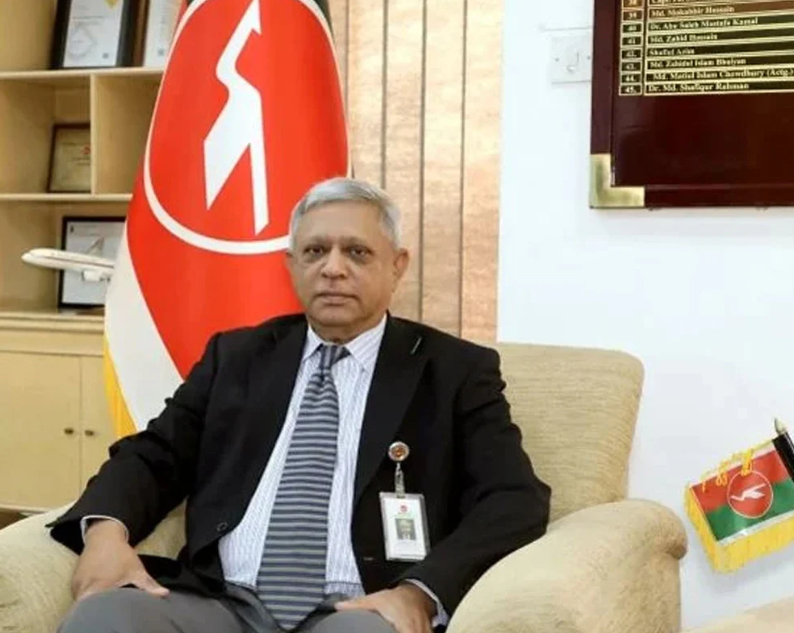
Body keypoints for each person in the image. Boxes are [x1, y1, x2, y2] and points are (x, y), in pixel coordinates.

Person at [49, 177, 551, 633]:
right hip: (221, 602)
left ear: (397, 265)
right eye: (315, 251)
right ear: (291, 265)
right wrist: (106, 534)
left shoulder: (453, 370)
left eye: (356, 252)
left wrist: (419, 592)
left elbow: (513, 498)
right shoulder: (237, 356)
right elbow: (153, 455)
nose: (333, 268)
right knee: (104, 617)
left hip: (359, 609)